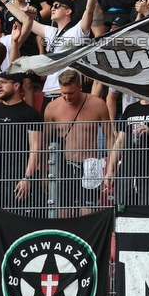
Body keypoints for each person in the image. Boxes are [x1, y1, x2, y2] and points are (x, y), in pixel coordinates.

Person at [44, 69, 113, 217]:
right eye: (63, 93)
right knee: (63, 211)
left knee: (88, 213)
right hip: (64, 165)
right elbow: (45, 143)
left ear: (80, 87)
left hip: (90, 164)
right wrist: (45, 173)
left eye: (71, 93)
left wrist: (111, 169)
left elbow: (109, 137)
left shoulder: (98, 104)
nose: (67, 97)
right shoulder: (52, 108)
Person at [0, 72, 42, 213]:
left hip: (18, 178)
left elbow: (36, 148)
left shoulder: (30, 113)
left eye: (4, 82)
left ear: (16, 86)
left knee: (18, 221)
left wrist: (27, 178)